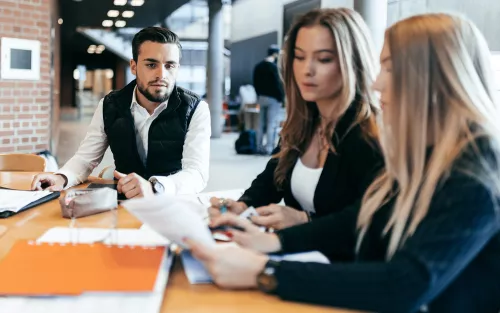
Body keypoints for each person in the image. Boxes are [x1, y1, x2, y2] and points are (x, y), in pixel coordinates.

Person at [188, 13, 500, 313]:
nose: (377, 84)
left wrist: (266, 271)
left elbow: (405, 283)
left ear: (433, 76)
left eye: (390, 69)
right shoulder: (429, 153)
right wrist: (271, 241)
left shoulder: (474, 172)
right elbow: (359, 221)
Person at [210, 8, 383, 230]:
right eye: (299, 57)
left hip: (337, 262)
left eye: (323, 59)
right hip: (297, 254)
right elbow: (271, 179)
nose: (306, 70)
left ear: (353, 63)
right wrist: (243, 206)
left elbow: (369, 224)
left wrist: (304, 221)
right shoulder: (304, 122)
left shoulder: (368, 135)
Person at [31, 27, 211, 199]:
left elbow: (197, 173)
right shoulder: (109, 105)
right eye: (151, 64)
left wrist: (155, 187)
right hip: (124, 201)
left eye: (170, 65)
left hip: (172, 202)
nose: (161, 74)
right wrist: (61, 177)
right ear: (133, 66)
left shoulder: (195, 108)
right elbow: (85, 159)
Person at [253, 44, 285, 155]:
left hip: (261, 98)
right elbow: (278, 85)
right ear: (275, 54)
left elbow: (255, 83)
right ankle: (269, 148)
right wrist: (282, 98)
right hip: (273, 99)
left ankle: (259, 147)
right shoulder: (274, 67)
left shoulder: (258, 66)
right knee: (271, 123)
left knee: (260, 123)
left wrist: (259, 95)